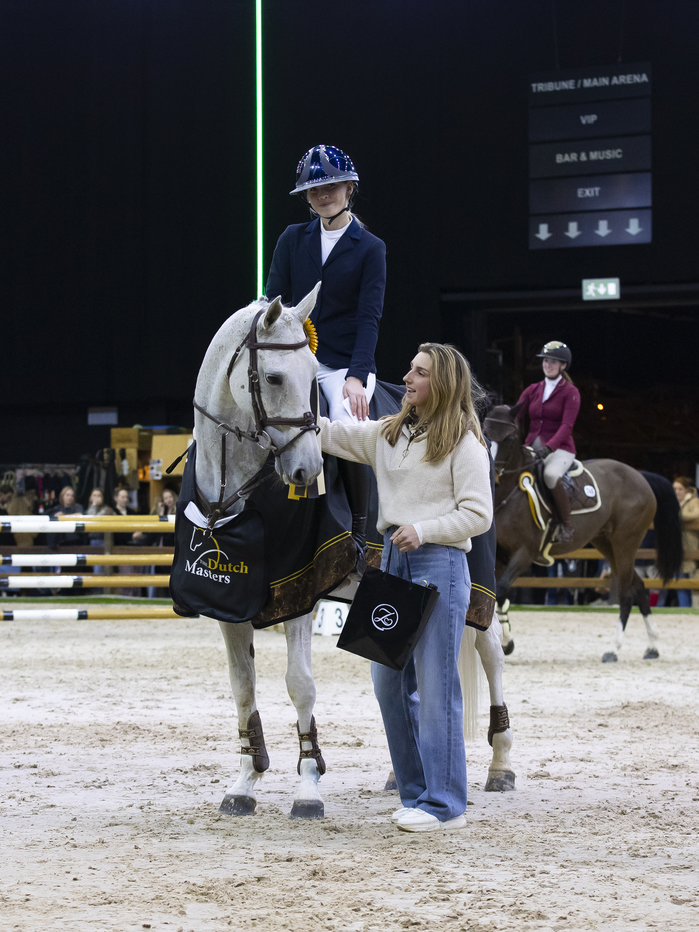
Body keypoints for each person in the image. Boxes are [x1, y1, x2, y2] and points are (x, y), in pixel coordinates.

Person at [318, 343, 493, 833]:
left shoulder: (465, 443)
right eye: (410, 370)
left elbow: (479, 514)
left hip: (438, 562)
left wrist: (427, 528)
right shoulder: (388, 433)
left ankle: (445, 805)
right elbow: (335, 434)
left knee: (437, 689)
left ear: (442, 383)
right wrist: (298, 419)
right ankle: (417, 794)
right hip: (392, 561)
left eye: (419, 372)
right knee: (387, 683)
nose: (407, 378)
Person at [265, 144, 386, 546]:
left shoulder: (371, 248)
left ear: (349, 188)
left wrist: (356, 377)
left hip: (342, 364)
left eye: (331, 187)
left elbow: (369, 317)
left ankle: (358, 531)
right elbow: (273, 302)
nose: (322, 195)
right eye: (314, 191)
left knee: (348, 424)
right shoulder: (291, 238)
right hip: (297, 358)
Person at [515, 341, 583, 542]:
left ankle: (566, 524)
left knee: (550, 475)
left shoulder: (571, 392)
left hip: (560, 447)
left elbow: (567, 426)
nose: (548, 365)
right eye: (546, 361)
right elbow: (515, 414)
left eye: (553, 362)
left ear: (563, 366)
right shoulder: (533, 389)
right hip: (532, 444)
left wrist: (549, 447)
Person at [673, 477, 699, 607]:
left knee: (690, 578)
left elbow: (697, 514)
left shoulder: (693, 501)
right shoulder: (672, 503)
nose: (677, 492)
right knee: (679, 581)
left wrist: (679, 517)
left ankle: (693, 607)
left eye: (680, 489)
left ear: (686, 490)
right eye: (675, 489)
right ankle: (683, 608)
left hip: (689, 544)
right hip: (676, 545)